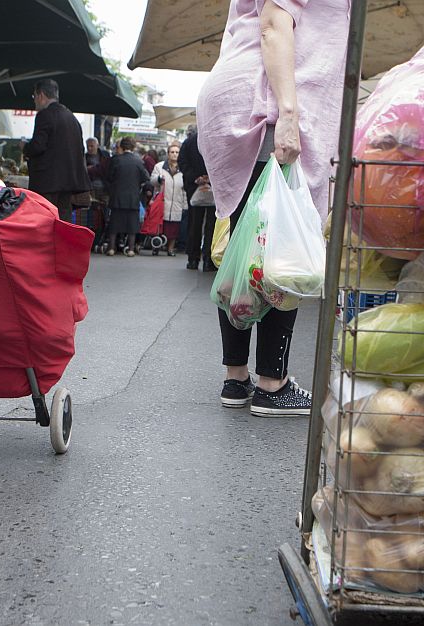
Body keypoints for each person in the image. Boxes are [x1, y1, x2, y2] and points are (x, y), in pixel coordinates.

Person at [197, 0, 349, 417]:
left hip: (241, 106)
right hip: (265, 109)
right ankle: (272, 382)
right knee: (281, 248)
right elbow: (274, 24)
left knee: (246, 251)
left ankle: (236, 377)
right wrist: (289, 113)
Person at [22, 79, 91, 221]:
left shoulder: (45, 115)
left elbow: (38, 146)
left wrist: (25, 147)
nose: (34, 101)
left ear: (40, 95)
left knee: (44, 220)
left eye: (34, 97)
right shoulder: (71, 117)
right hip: (68, 182)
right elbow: (80, 149)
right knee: (62, 220)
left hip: (47, 182)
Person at [178, 127, 218, 272]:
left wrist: (196, 177)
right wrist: (209, 177)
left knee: (194, 223)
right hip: (213, 186)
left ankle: (193, 259)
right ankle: (208, 259)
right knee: (211, 225)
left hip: (193, 187)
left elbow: (182, 162)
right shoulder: (217, 140)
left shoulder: (189, 142)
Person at [106, 136, 149, 257]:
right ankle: (130, 249)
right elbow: (145, 177)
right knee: (132, 224)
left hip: (117, 196)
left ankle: (111, 248)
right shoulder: (138, 161)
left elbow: (109, 176)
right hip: (133, 196)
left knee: (114, 223)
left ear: (121, 147)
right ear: (134, 147)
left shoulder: (116, 160)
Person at [151, 144, 187, 257]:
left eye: (177, 152)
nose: (175, 154)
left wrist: (185, 205)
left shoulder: (183, 168)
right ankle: (156, 247)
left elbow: (185, 189)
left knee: (173, 229)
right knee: (159, 226)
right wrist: (158, 179)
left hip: (177, 202)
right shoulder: (159, 166)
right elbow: (152, 181)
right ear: (168, 154)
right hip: (162, 202)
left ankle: (170, 249)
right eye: (172, 152)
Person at [85, 137, 111, 209]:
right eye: (88, 146)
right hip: (91, 188)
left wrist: (92, 169)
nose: (89, 148)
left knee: (105, 209)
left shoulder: (105, 155)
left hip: (104, 187)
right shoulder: (85, 157)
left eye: (92, 146)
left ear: (97, 145)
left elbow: (106, 169)